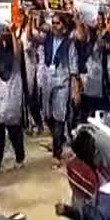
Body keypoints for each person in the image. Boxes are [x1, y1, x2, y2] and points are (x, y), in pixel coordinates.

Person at [33, 12, 78, 168]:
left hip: (62, 84)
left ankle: (57, 155)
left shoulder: (70, 44)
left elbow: (73, 69)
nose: (55, 26)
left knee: (59, 118)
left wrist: (75, 90)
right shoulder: (47, 40)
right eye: (53, 23)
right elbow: (32, 36)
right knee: (47, 117)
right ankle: (58, 140)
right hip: (47, 82)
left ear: (64, 27)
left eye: (58, 23)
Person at [0, 26, 25, 177]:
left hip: (12, 88)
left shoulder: (16, 46)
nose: (3, 33)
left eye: (5, 31)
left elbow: (16, 54)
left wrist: (13, 34)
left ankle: (20, 156)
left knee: (14, 130)